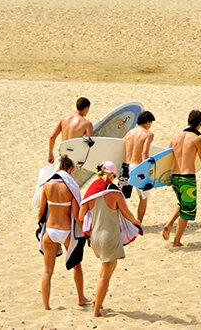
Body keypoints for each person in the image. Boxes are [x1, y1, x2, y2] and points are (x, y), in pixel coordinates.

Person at [83, 162, 142, 316]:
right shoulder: (115, 193)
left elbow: (80, 215)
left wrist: (87, 231)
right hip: (109, 237)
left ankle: (97, 299)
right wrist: (136, 222)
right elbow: (126, 213)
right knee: (105, 275)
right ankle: (96, 310)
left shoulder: (91, 192)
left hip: (94, 237)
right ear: (113, 175)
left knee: (105, 270)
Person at [37, 156, 90, 310]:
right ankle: (81, 298)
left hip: (50, 231)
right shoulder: (71, 187)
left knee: (47, 272)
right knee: (77, 266)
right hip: (66, 231)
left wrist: (40, 228)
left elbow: (41, 212)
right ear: (70, 170)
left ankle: (46, 306)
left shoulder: (47, 185)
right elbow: (76, 214)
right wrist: (86, 231)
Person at [161, 111, 201, 247]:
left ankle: (169, 224)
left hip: (174, 177)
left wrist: (166, 178)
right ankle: (176, 241)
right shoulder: (196, 139)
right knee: (187, 211)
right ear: (199, 124)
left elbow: (166, 158)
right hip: (187, 178)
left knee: (182, 202)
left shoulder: (175, 137)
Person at [121, 111, 155, 225]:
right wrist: (147, 168)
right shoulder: (148, 134)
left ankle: (122, 223)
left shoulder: (129, 133)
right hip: (138, 167)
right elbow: (144, 153)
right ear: (147, 122)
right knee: (143, 197)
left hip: (125, 166)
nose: (150, 126)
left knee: (122, 198)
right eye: (150, 123)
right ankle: (138, 223)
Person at [47, 98, 93, 164]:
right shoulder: (87, 124)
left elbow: (52, 137)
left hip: (63, 156)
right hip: (74, 157)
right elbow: (91, 142)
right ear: (86, 108)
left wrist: (50, 154)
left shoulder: (63, 119)